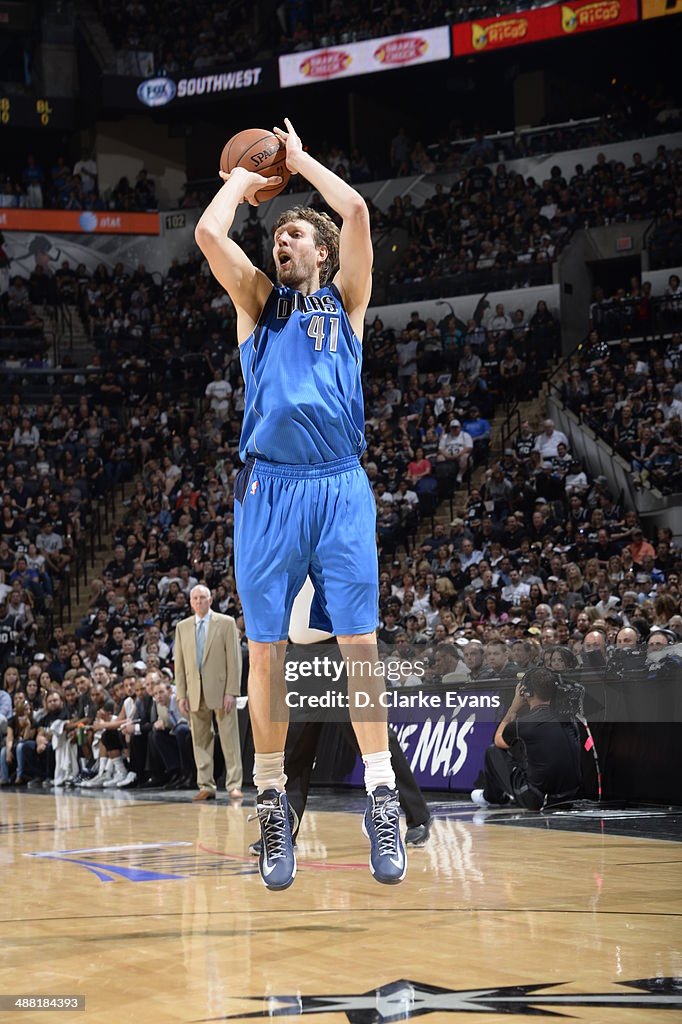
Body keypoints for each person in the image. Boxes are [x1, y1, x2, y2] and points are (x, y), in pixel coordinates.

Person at [195, 118, 406, 890]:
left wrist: (301, 162)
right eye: (275, 236)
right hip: (270, 488)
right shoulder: (259, 303)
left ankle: (382, 795)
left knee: (359, 648)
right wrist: (240, 186)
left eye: (292, 237)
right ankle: (274, 801)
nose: (281, 244)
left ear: (317, 251)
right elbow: (209, 238)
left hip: (341, 485)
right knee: (267, 655)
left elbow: (354, 213)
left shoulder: (348, 302)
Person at [471, 666, 581, 811]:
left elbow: (498, 739)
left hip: (537, 799)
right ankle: (494, 795)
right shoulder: (569, 720)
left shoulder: (522, 725)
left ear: (525, 692)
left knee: (493, 751)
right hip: (571, 796)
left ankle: (491, 796)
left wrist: (513, 708)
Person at [173, 584, 243, 802]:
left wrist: (232, 690)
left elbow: (234, 658)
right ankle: (206, 785)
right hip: (195, 690)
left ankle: (234, 785)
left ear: (210, 600)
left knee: (229, 739)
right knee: (200, 740)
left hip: (221, 690)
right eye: (194, 598)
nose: (198, 601)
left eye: (202, 597)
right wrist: (181, 694)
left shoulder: (225, 622)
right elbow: (180, 664)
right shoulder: (182, 627)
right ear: (190, 602)